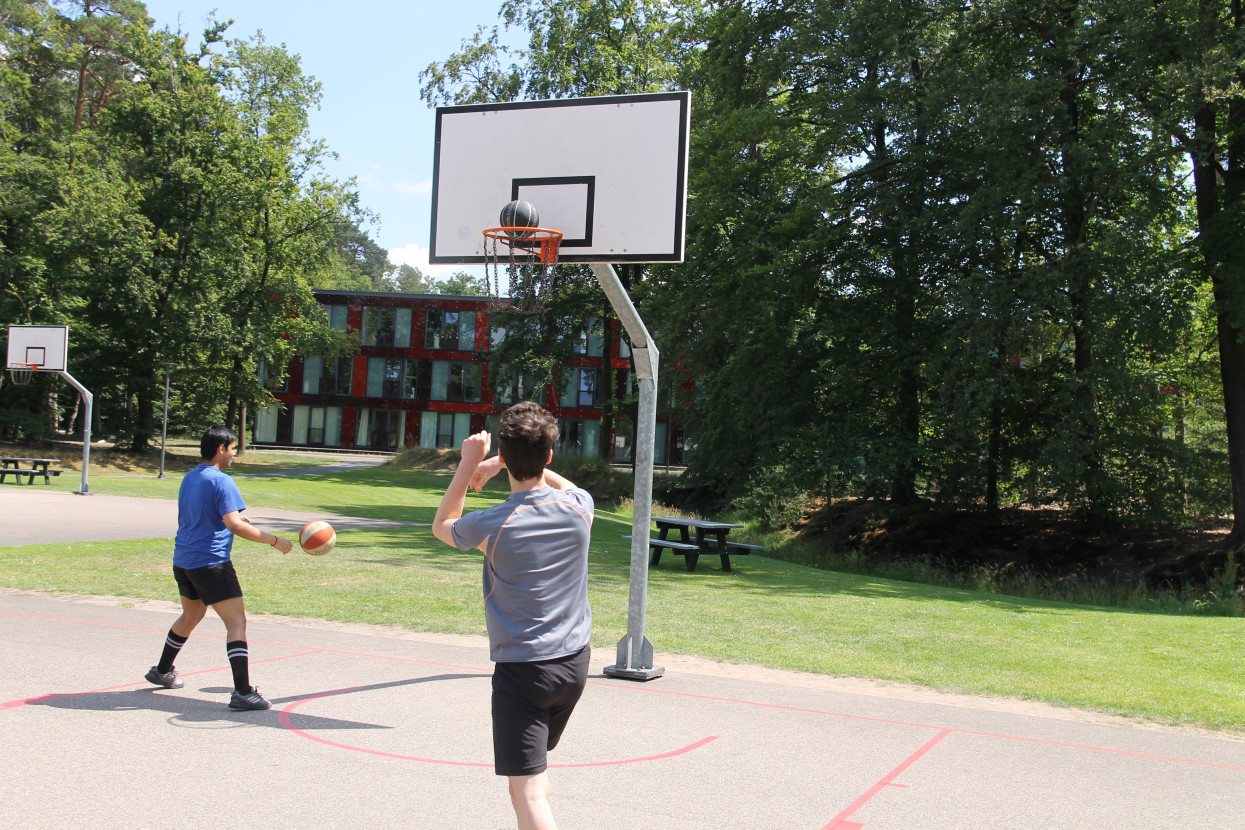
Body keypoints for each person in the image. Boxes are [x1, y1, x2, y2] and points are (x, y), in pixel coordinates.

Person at [432, 402, 592, 830]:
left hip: (524, 672)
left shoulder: (494, 523)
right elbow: (562, 484)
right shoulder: (581, 508)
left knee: (528, 791)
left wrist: (468, 466)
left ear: (504, 455)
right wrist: (503, 460)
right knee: (532, 778)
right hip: (575, 664)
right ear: (550, 457)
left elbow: (443, 523)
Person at [144, 424, 294, 710]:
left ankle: (162, 671)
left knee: (191, 615)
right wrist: (274, 540)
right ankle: (242, 692)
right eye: (233, 449)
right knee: (236, 623)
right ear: (221, 449)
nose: (234, 456)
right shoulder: (222, 480)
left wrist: (233, 520)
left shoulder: (190, 477)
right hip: (210, 563)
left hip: (184, 561)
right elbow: (233, 525)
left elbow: (205, 515)